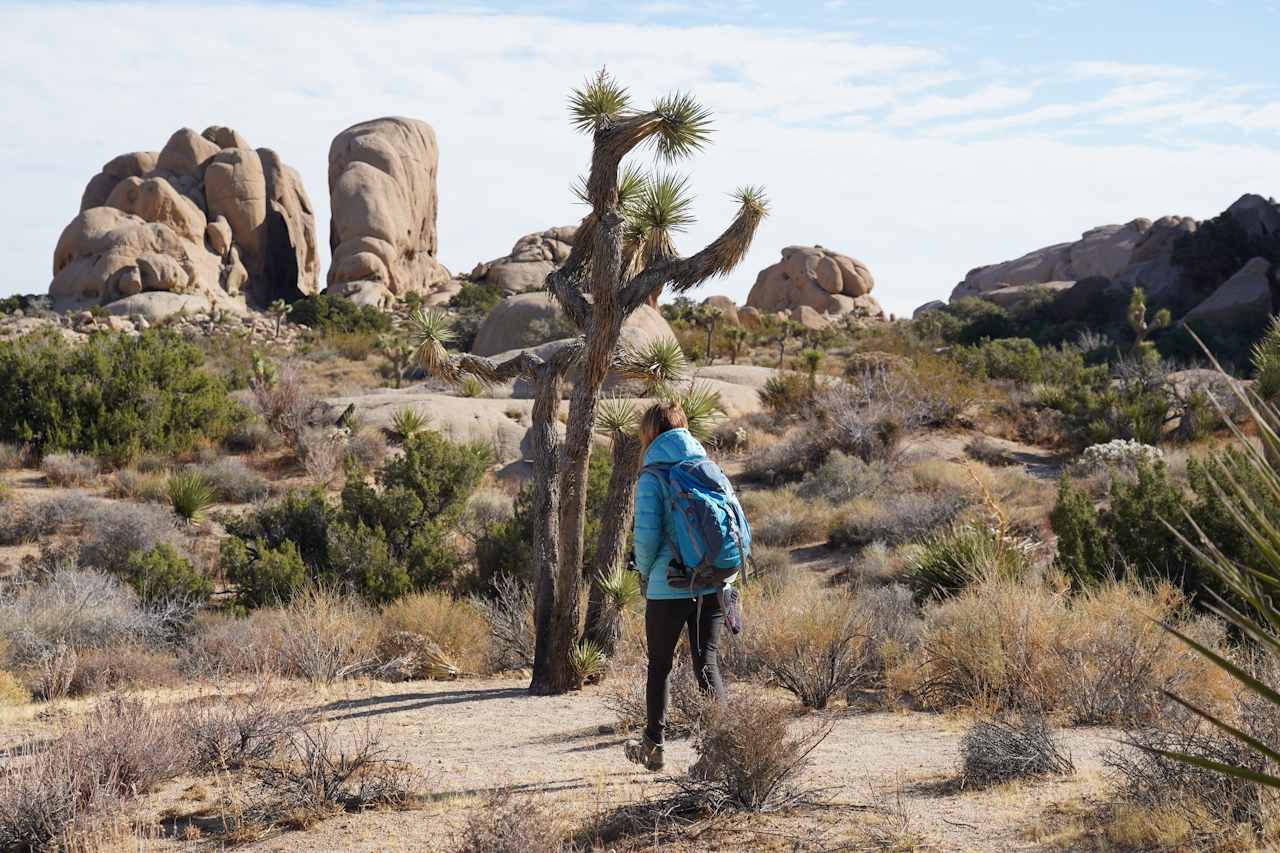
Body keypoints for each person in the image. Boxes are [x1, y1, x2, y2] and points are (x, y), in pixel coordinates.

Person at [623, 401, 732, 772]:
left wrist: (639, 565)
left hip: (668, 586)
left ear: (649, 433)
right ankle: (717, 753)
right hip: (713, 584)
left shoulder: (652, 475)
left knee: (660, 667)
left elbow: (646, 538)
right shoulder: (706, 467)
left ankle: (653, 748)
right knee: (707, 665)